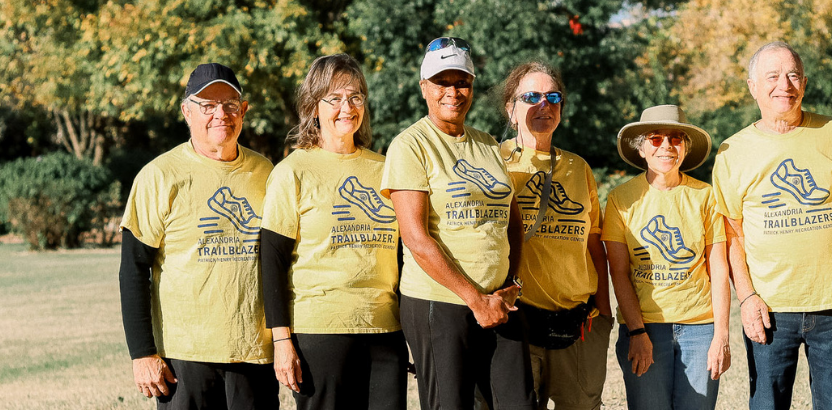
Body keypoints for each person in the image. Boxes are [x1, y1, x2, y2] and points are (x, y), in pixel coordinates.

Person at [379, 37, 534, 410]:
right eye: (441, 82)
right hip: (441, 303)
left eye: (461, 81)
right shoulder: (410, 145)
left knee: (519, 402)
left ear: (472, 85)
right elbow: (416, 238)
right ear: (424, 88)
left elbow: (512, 218)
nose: (453, 91)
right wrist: (474, 299)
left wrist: (511, 281)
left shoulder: (486, 144)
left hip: (499, 300)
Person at [709, 41, 832, 410]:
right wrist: (747, 298)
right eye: (773, 76)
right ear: (752, 86)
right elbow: (731, 234)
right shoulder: (733, 152)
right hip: (769, 309)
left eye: (793, 75)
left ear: (805, 83)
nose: (785, 84)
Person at [118, 63, 277, 409]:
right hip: (184, 357)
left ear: (244, 110)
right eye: (207, 105)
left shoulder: (266, 173)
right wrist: (142, 353)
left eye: (230, 104)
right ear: (186, 112)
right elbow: (133, 270)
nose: (221, 114)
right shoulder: (159, 176)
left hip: (253, 352)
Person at [258, 54, 407, 410]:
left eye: (356, 97)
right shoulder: (291, 172)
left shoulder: (387, 169)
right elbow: (271, 261)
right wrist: (282, 341)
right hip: (320, 333)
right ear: (313, 106)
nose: (347, 107)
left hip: (385, 330)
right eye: (335, 98)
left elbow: (404, 253)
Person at [494, 61, 612, 410]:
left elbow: (594, 243)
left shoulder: (579, 168)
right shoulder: (493, 163)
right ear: (510, 110)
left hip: (579, 323)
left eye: (553, 96)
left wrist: (603, 313)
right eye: (531, 96)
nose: (544, 105)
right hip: (518, 322)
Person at [604, 104, 730, 410]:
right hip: (645, 326)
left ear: (685, 148)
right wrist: (636, 331)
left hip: (701, 329)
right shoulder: (621, 199)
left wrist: (721, 335)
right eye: (656, 139)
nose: (666, 146)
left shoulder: (706, 196)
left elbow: (718, 267)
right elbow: (619, 273)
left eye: (675, 139)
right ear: (642, 148)